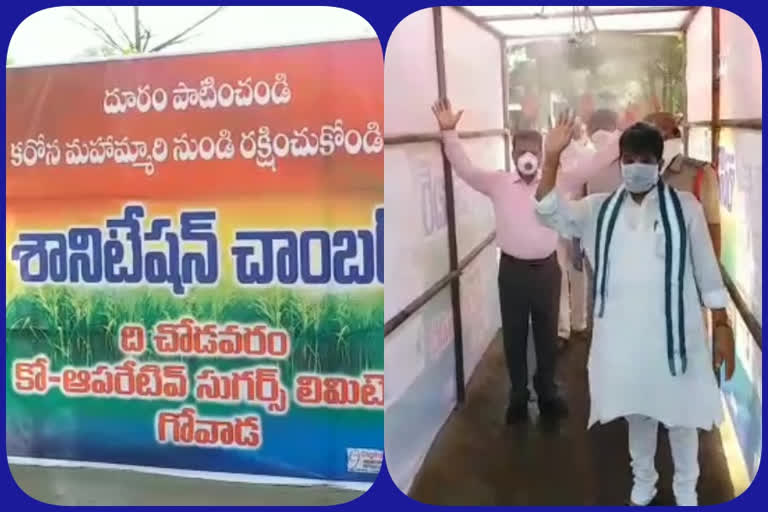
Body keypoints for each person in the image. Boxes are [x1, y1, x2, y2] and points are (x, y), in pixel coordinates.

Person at [534, 116, 735, 506]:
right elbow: (549, 212)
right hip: (625, 342)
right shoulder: (599, 210)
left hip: (677, 342)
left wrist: (722, 323)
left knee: (682, 416)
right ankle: (643, 482)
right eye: (628, 159)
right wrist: (551, 160)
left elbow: (708, 272)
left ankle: (685, 489)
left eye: (644, 159)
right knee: (638, 413)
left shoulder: (686, 208)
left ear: (658, 165)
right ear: (619, 163)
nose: (635, 167)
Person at [430, 98, 568, 424]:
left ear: (544, 151)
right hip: (512, 272)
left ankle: (547, 391)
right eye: (521, 150)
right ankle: (518, 394)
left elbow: (591, 168)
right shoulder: (498, 183)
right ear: (512, 154)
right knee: (515, 335)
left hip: (547, 271)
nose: (528, 156)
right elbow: (464, 168)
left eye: (534, 148)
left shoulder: (558, 182)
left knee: (548, 336)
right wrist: (449, 133)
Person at [644, 112, 722, 257]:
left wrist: (711, 273)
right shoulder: (637, 173)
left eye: (672, 133)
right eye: (661, 136)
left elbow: (713, 228)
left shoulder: (701, 173)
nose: (669, 139)